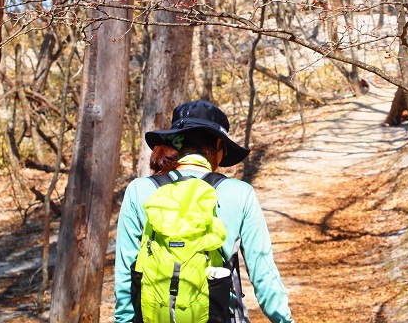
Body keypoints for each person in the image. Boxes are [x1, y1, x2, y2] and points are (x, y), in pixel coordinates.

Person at [115, 100, 294, 323]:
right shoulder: (240, 193)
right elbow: (263, 273)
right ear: (218, 146)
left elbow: (126, 273)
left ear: (175, 144)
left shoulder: (139, 190)